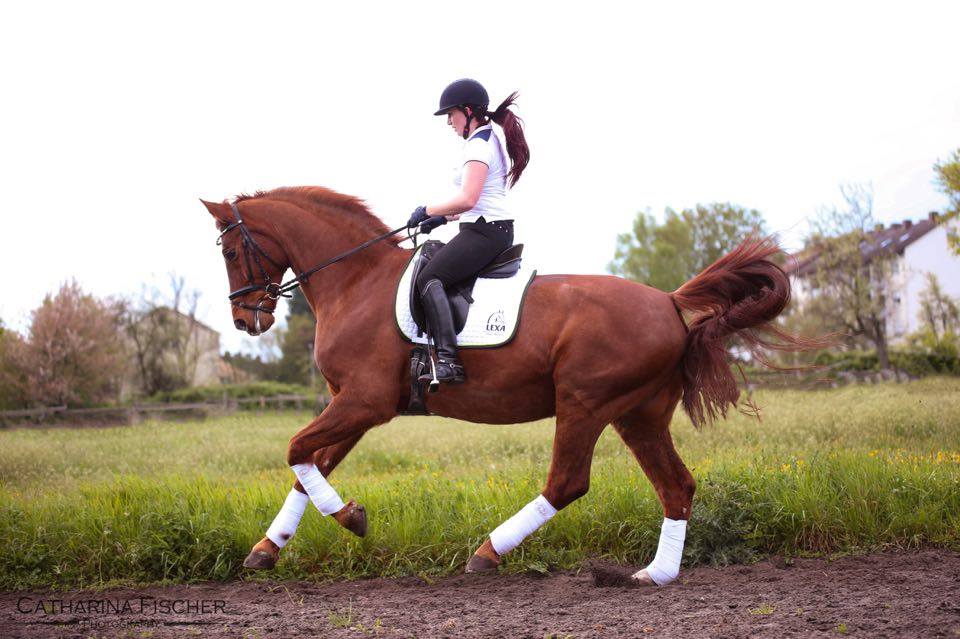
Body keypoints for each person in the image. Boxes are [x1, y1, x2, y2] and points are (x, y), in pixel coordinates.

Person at [407, 78, 530, 385]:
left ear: (468, 111)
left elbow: (469, 198)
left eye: (451, 114)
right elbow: (473, 203)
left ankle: (449, 361)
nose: (449, 122)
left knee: (429, 278)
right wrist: (442, 219)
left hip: (487, 232)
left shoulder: (478, 145)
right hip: (484, 227)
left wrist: (428, 209)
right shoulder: (484, 139)